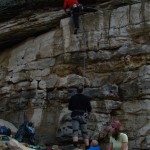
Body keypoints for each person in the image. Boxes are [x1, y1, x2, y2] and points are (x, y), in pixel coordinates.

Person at [68, 85, 92, 150]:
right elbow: (89, 108)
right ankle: (87, 147)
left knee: (75, 131)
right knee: (85, 132)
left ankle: (75, 146)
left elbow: (70, 107)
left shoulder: (73, 97)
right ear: (82, 91)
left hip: (75, 114)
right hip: (83, 115)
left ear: (76, 90)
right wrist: (88, 114)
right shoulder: (86, 98)